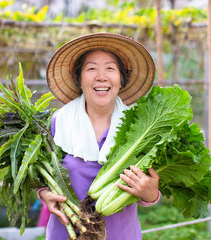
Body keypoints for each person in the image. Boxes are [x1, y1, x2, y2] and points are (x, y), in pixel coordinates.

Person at [37, 33, 161, 240]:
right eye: (91, 68)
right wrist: (43, 194)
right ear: (79, 79)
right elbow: (39, 175)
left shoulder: (142, 127)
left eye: (110, 69)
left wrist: (151, 196)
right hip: (66, 232)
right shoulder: (57, 123)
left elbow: (151, 188)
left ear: (121, 80)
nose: (101, 76)